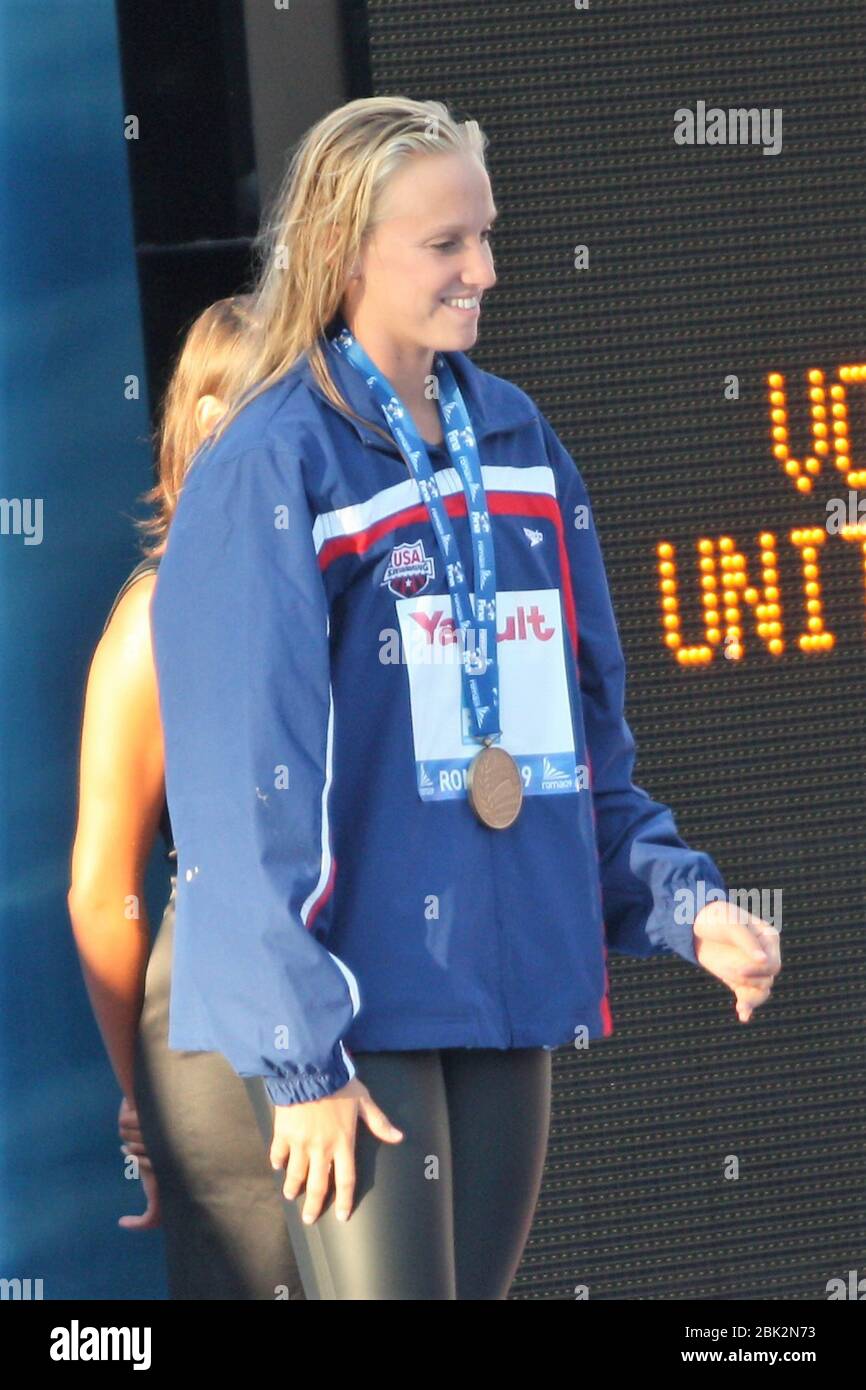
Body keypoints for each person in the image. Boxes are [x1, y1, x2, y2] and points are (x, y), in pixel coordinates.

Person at [149, 96, 781, 1301]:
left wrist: (684, 905)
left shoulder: (516, 439)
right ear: (345, 251)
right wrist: (301, 1059)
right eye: (445, 245)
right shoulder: (276, 464)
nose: (482, 271)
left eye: (483, 236)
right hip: (350, 1009)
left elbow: (576, 751)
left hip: (497, 985)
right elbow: (241, 789)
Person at [68, 296, 306, 1300]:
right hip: (225, 1050)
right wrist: (145, 1090)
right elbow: (99, 890)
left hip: (369, 1028)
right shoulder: (152, 620)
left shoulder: (354, 594)